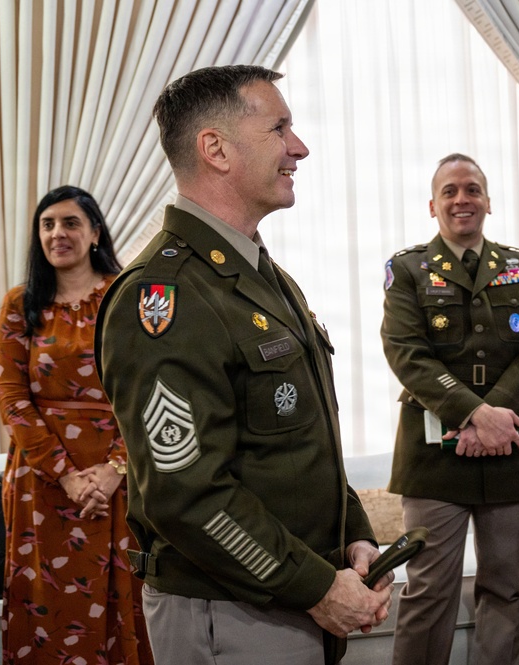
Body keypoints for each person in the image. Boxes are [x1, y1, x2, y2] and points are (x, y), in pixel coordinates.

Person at [94, 65, 392, 665]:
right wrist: (314, 585)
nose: (298, 147)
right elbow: (186, 494)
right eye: (279, 128)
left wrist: (353, 535)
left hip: (290, 595)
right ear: (216, 149)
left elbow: (300, 440)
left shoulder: (257, 274)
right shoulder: (166, 297)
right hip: (230, 612)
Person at [381, 153, 519, 664]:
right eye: (451, 191)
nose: (463, 199)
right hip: (433, 456)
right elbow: (406, 354)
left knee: (506, 588)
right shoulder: (408, 270)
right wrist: (478, 416)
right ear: (432, 206)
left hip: (513, 445)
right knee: (429, 591)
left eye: (473, 189)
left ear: (488, 201)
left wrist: (495, 419)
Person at [0, 185, 153, 663]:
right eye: (47, 224)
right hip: (41, 483)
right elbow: (12, 398)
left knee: (130, 599)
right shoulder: (20, 304)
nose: (57, 233)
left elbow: (149, 392)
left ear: (95, 233)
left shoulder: (129, 297)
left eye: (70, 223)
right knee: (48, 608)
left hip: (122, 478)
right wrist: (66, 474)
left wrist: (114, 470)